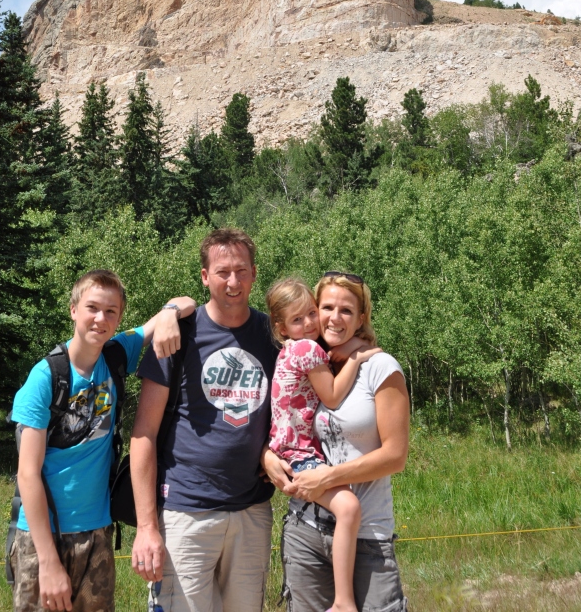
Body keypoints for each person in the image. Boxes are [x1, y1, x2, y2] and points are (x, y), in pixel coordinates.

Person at [9, 270, 196, 612]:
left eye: (111, 311)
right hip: (43, 538)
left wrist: (169, 314)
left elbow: (187, 302)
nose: (101, 319)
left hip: (97, 531)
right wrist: (49, 562)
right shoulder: (45, 378)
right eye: (92, 308)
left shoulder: (117, 353)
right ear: (73, 310)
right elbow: (27, 475)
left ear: (120, 316)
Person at [129, 228, 288, 612]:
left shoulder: (272, 336)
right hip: (186, 510)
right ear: (204, 277)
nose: (232, 282)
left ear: (253, 273)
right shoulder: (178, 335)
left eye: (241, 270)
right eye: (222, 272)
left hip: (252, 510)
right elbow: (144, 434)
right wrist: (148, 527)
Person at [263, 271, 410, 612]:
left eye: (346, 310)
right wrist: (266, 457)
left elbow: (396, 457)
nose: (332, 317)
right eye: (325, 306)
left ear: (362, 318)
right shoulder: (311, 359)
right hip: (306, 528)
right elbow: (279, 416)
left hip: (367, 534)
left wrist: (329, 476)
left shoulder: (380, 367)